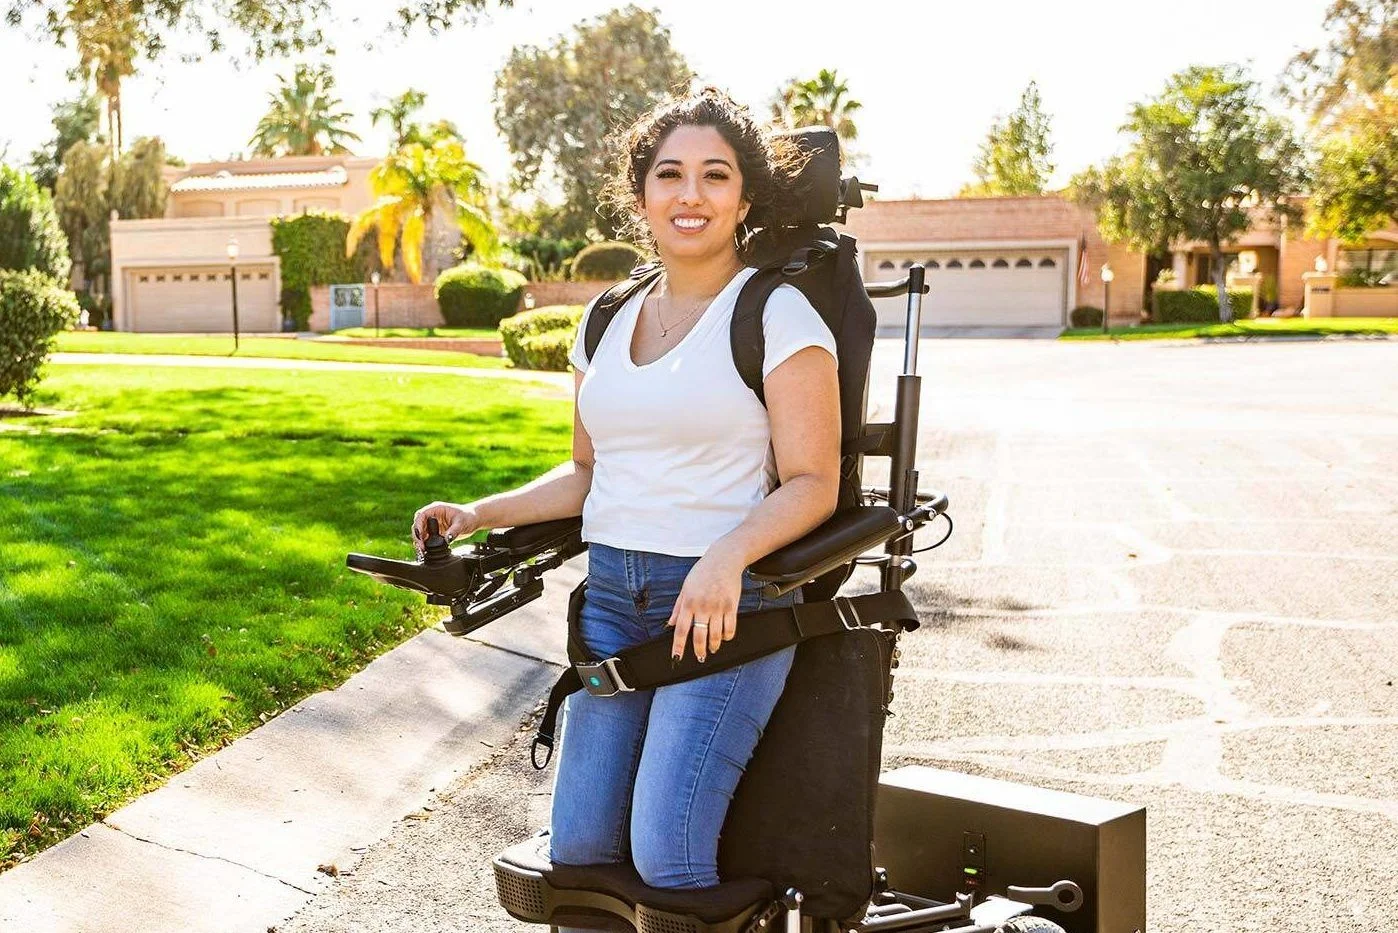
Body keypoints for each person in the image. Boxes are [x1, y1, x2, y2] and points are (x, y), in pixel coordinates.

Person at [411, 86, 840, 917]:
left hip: (724, 611)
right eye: (670, 174)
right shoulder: (605, 318)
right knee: (576, 859)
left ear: (745, 197)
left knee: (665, 857)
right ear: (640, 194)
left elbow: (814, 483)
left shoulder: (778, 313)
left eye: (715, 176)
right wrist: (479, 513)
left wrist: (726, 556)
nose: (691, 195)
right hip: (611, 603)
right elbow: (586, 473)